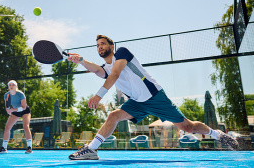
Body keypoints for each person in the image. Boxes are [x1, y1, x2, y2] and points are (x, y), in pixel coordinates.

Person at [65, 35, 239, 160]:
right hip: (137, 102)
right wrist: (80, 60)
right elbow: (97, 69)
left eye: (102, 44)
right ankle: (91, 149)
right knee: (113, 116)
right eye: (97, 45)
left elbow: (116, 74)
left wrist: (99, 95)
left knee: (188, 127)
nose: (99, 47)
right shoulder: (106, 67)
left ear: (112, 46)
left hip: (154, 96)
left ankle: (218, 135)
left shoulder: (122, 53)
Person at [0, 80, 33, 154]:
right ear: (8, 87)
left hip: (25, 111)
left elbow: (24, 107)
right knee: (7, 128)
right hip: (15, 112)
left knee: (26, 126)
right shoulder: (6, 95)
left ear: (16, 86)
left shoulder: (20, 94)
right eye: (10, 85)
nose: (11, 86)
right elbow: (7, 107)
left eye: (13, 85)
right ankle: (4, 148)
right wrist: (9, 111)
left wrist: (13, 110)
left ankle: (29, 148)